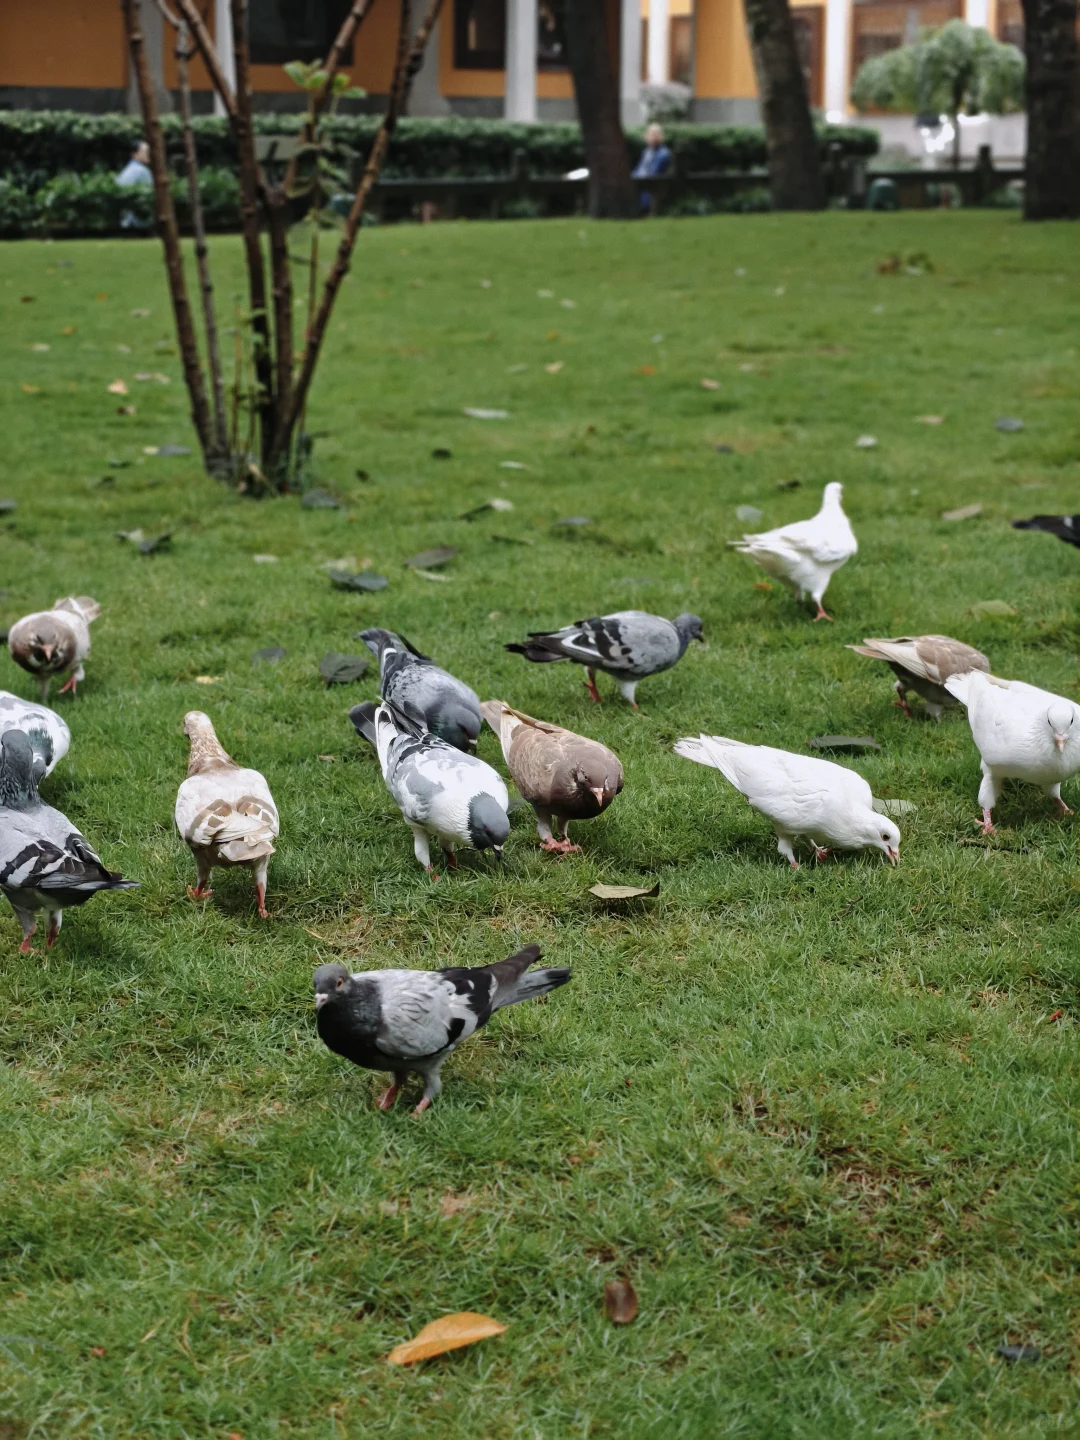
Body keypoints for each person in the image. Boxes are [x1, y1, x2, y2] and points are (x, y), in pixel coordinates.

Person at [632, 123, 673, 214]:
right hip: (639, 182)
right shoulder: (646, 152)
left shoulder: (663, 154)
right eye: (649, 134)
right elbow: (638, 169)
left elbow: (653, 173)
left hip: (651, 186)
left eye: (652, 135)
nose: (649, 137)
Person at [116, 141, 153, 231]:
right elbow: (149, 193)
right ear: (134, 154)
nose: (148, 154)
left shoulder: (127, 170)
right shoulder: (141, 171)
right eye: (145, 152)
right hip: (139, 220)